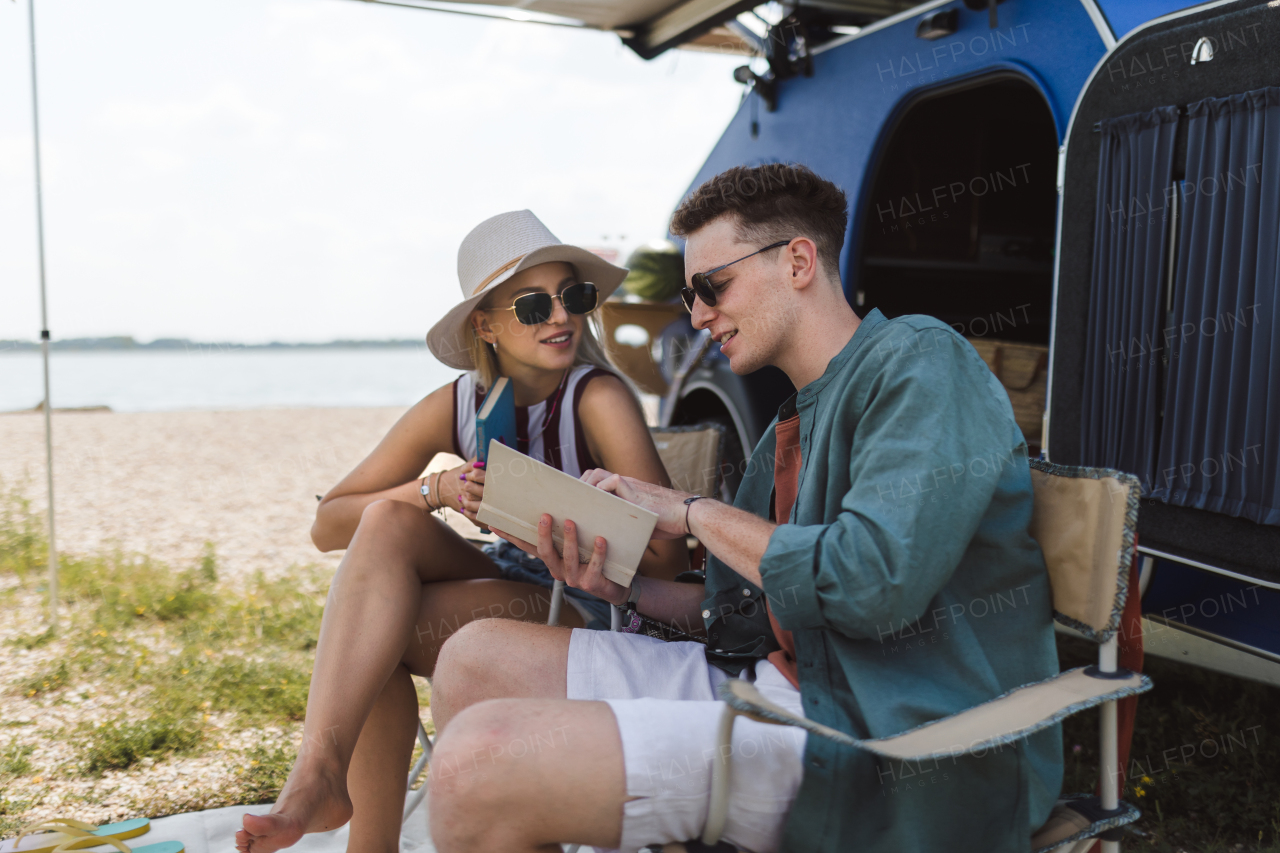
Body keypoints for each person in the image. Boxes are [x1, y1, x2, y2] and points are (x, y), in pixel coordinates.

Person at [424, 164, 1063, 853]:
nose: (696, 315)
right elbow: (742, 613)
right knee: (471, 659)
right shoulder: (791, 422)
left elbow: (872, 582)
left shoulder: (920, 363)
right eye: (688, 293)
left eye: (711, 286)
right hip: (776, 685)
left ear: (797, 260)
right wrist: (628, 588)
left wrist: (693, 511)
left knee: (473, 767)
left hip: (881, 737)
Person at [234, 210, 688, 853]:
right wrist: (435, 490)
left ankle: (341, 810)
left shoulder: (596, 395)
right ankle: (320, 775)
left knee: (374, 643)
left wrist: (583, 520)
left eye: (574, 298)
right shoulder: (458, 404)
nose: (560, 317)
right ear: (487, 324)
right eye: (533, 305)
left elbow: (667, 559)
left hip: (593, 604)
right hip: (514, 579)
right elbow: (327, 524)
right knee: (389, 520)